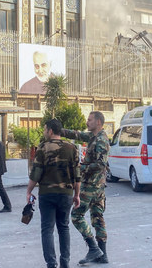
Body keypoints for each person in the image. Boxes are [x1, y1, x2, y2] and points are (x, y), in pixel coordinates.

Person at [27, 119, 81, 268]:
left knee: (47, 229)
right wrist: (76, 195)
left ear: (50, 131)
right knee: (64, 227)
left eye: (45, 129)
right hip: (66, 194)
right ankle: (65, 263)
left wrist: (29, 191)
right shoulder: (72, 148)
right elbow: (77, 175)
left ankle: (51, 264)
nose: (44, 132)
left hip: (47, 194)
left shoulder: (43, 148)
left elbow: (36, 172)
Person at [61, 111, 110, 264]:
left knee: (76, 216)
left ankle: (94, 248)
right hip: (98, 186)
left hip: (92, 186)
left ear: (98, 123)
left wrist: (81, 168)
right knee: (97, 218)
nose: (87, 122)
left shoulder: (101, 139)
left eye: (90, 120)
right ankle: (103, 255)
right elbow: (78, 135)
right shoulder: (93, 137)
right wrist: (60, 131)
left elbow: (101, 165)